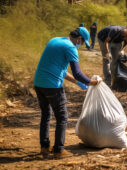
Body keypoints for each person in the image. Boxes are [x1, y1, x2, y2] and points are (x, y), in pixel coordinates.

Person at [33, 27, 99, 158]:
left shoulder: (54, 40)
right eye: (82, 42)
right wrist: (90, 82)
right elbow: (78, 73)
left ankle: (44, 147)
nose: (80, 45)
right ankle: (58, 150)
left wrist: (76, 82)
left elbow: (59, 70)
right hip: (53, 87)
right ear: (79, 38)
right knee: (62, 117)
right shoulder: (71, 48)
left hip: (39, 83)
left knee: (46, 115)